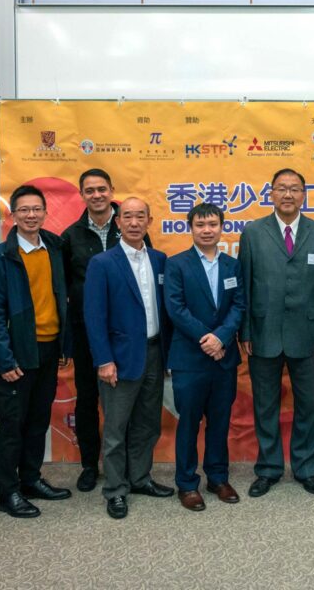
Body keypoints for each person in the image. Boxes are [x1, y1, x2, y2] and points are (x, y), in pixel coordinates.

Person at [239, 169, 314, 497]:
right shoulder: (253, 232)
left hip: (307, 334)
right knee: (265, 404)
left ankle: (307, 468)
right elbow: (246, 285)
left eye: (295, 189)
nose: (288, 195)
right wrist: (245, 331)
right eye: (282, 189)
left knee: (309, 405)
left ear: (304, 194)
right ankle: (268, 469)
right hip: (263, 333)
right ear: (271, 193)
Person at [0, 184, 72, 518]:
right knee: (12, 424)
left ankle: (31, 479)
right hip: (17, 353)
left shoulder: (54, 246)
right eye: (24, 210)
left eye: (37, 209)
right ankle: (8, 491)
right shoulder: (0, 257)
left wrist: (64, 345)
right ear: (13, 214)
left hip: (49, 349)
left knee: (37, 421)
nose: (31, 215)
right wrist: (4, 360)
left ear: (45, 212)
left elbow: (60, 297)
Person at [83, 197, 174, 519]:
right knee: (116, 429)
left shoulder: (162, 260)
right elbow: (94, 317)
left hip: (154, 354)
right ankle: (115, 490)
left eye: (140, 217)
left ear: (149, 221)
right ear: (117, 222)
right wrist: (104, 360)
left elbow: (168, 312)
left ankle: (140, 478)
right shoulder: (103, 263)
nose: (134, 223)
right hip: (119, 360)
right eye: (127, 217)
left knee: (148, 425)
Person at [165, 203, 246, 510]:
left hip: (223, 358)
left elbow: (239, 306)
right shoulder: (177, 264)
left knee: (220, 422)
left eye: (213, 224)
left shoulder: (231, 265)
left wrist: (222, 337)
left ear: (221, 227)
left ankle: (218, 477)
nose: (207, 230)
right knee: (188, 423)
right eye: (200, 225)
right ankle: (186, 484)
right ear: (191, 228)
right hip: (189, 359)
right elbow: (176, 309)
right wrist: (208, 338)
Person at [61, 168, 126, 492]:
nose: (97, 195)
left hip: (127, 331)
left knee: (126, 398)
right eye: (90, 190)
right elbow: (63, 290)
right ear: (82, 194)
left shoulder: (129, 225)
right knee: (87, 399)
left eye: (102, 188)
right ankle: (90, 464)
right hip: (86, 332)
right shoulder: (71, 236)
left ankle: (124, 463)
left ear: (112, 190)